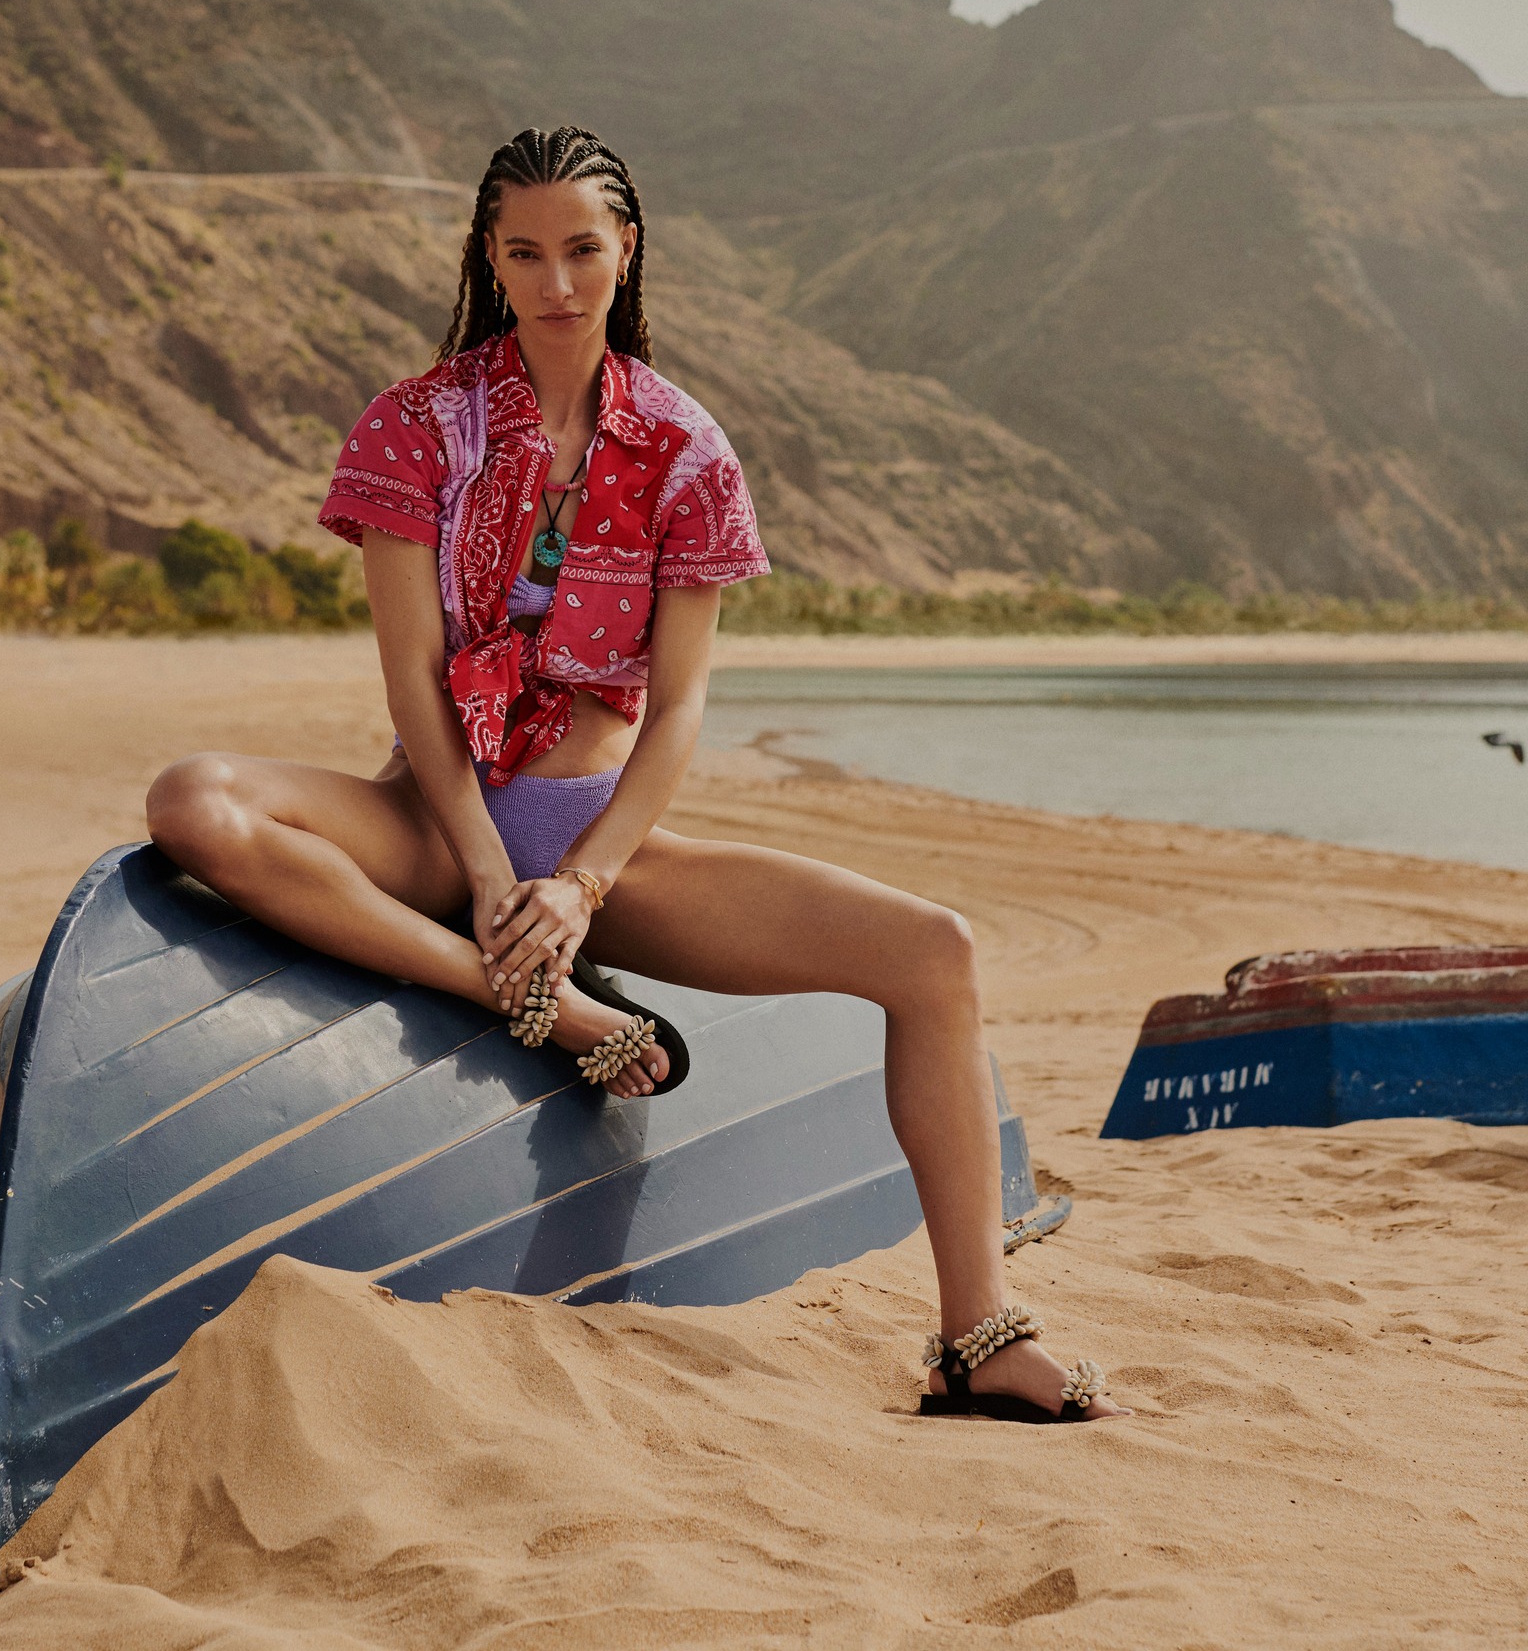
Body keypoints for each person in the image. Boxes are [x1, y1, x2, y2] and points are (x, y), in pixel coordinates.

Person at [148, 126, 1120, 1424]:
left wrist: (583, 889)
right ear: (490, 260)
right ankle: (533, 1009)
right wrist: (496, 887)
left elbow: (677, 714)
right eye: (526, 252)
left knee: (936, 952)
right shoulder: (414, 428)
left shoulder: (685, 454)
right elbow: (417, 681)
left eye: (582, 250)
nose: (555, 281)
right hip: (436, 829)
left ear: (628, 250)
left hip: (602, 848)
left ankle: (976, 1337)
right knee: (191, 802)